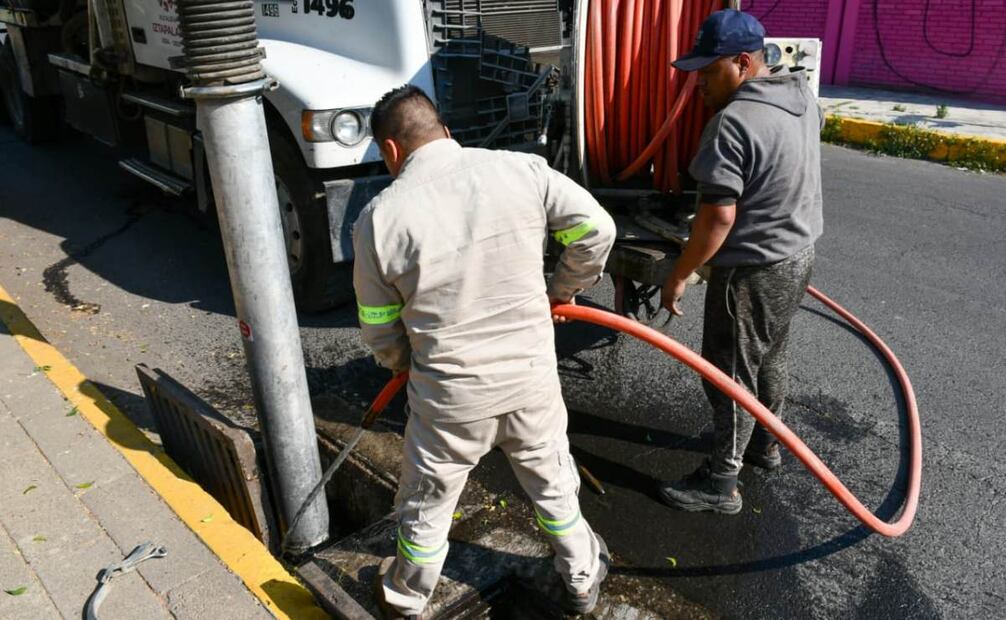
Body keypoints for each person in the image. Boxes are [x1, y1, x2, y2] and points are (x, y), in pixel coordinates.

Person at [353, 85, 616, 618]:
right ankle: (582, 579)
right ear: (445, 132)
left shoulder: (379, 219)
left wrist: (406, 364)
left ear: (391, 151)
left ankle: (405, 599)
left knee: (428, 501)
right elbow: (597, 229)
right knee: (552, 483)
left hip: (450, 400)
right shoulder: (521, 171)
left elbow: (379, 327)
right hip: (529, 382)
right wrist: (562, 290)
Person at [657, 9, 824, 515]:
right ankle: (765, 445)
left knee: (729, 371)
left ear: (744, 63)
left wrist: (680, 274)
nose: (699, 85)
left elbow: (717, 218)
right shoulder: (803, 100)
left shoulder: (732, 123)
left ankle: (721, 483)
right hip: (797, 254)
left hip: (750, 269)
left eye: (709, 73)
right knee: (769, 356)